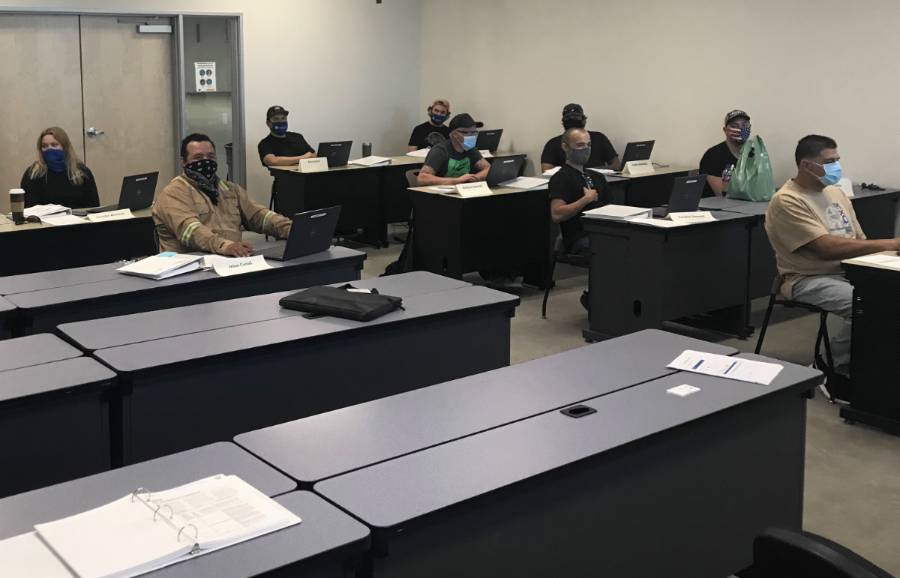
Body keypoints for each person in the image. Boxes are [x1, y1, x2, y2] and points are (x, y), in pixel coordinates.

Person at [765, 134, 900, 392]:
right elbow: (826, 249)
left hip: (848, 272)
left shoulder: (835, 192)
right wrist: (891, 244)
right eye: (829, 162)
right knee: (869, 304)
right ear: (806, 165)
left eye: (837, 160)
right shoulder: (787, 200)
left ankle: (873, 366)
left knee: (890, 294)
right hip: (806, 278)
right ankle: (827, 366)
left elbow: (859, 240)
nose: (836, 167)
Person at [154, 133, 293, 256]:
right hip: (189, 268)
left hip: (231, 261)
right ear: (183, 162)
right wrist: (224, 246)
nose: (205, 161)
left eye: (210, 156)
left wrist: (292, 229)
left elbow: (260, 216)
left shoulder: (230, 189)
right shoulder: (173, 193)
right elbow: (191, 231)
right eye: (198, 157)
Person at [549, 128, 609, 309]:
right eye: (580, 145)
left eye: (589, 145)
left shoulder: (596, 177)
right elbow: (557, 214)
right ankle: (596, 300)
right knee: (607, 250)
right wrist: (585, 200)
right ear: (566, 147)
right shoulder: (561, 178)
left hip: (601, 232)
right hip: (577, 237)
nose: (586, 149)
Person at [20, 127, 99, 209]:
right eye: (44, 146)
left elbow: (93, 207)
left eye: (54, 145)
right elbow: (29, 209)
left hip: (78, 219)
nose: (49, 149)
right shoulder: (33, 174)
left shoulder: (82, 172)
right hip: (45, 220)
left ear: (65, 147)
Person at [416, 113, 490, 186]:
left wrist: (476, 177)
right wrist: (456, 181)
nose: (470, 136)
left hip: (464, 191)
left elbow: (487, 168)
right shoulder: (440, 150)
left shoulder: (470, 149)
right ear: (453, 134)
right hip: (441, 194)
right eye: (465, 132)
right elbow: (422, 178)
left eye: (473, 132)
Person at [541, 104, 619, 172]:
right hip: (568, 184)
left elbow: (616, 165)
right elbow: (546, 170)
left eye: (589, 144)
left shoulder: (599, 138)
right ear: (565, 146)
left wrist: (590, 173)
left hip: (599, 181)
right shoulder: (553, 143)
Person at [699, 109, 751, 197]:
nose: (740, 129)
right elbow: (723, 194)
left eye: (744, 125)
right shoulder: (713, 155)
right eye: (735, 126)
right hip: (717, 207)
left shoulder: (753, 153)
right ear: (725, 130)